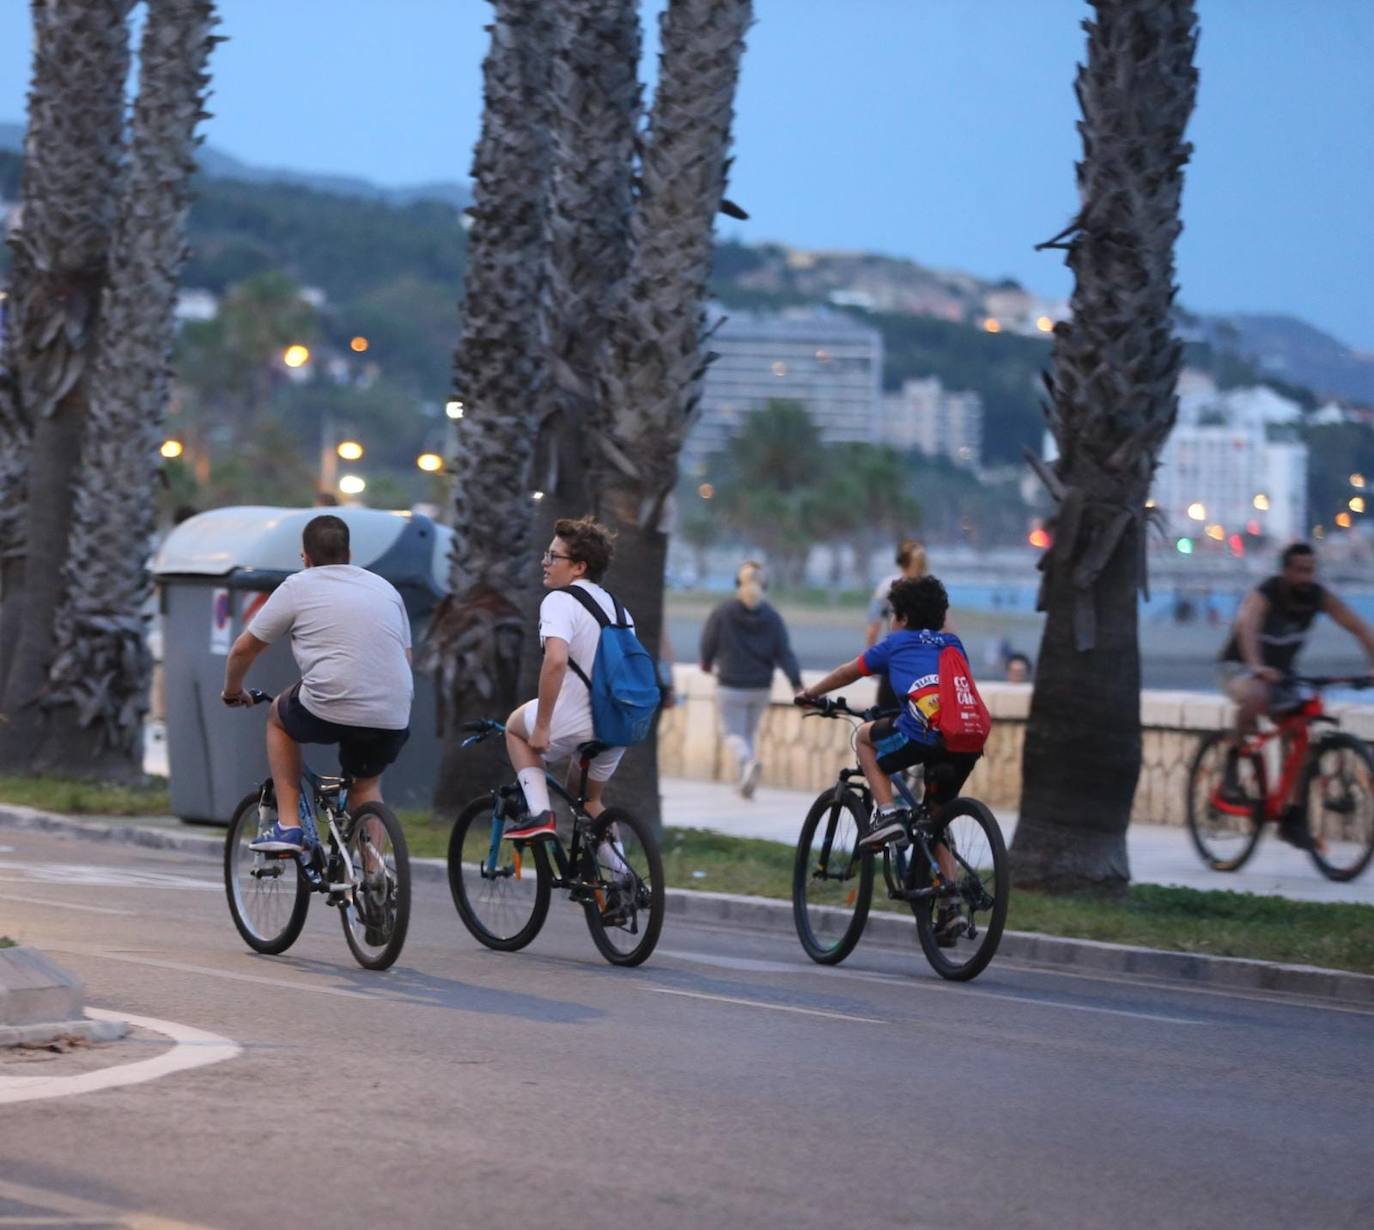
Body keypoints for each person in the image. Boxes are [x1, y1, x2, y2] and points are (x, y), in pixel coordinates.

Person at [796, 575, 979, 942]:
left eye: (894, 613)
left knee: (864, 738)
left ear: (904, 617)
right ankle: (951, 903)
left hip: (921, 732)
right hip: (965, 739)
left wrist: (810, 693)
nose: (892, 619)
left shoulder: (895, 643)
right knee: (934, 818)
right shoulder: (952, 643)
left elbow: (849, 671)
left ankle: (888, 813)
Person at [221, 515, 413, 852]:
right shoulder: (385, 589)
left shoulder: (298, 586)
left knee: (279, 719)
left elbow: (243, 649)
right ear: (349, 554)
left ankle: (289, 824)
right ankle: (377, 883)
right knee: (364, 786)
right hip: (393, 710)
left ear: (305, 557)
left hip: (329, 704)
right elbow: (405, 658)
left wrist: (233, 691)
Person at [1217, 540, 1374, 845]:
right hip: (1239, 666)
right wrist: (1257, 666)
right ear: (1286, 571)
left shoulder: (1317, 597)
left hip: (1281, 677)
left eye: (1311, 570)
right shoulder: (1267, 593)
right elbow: (1246, 626)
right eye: (1300, 570)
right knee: (1258, 694)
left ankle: (1293, 816)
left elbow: (1359, 628)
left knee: (1301, 731)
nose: (1306, 577)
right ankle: (1232, 768)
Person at [502, 516, 632, 841]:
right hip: (617, 723)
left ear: (578, 567)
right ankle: (620, 884)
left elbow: (556, 661)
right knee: (589, 800)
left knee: (515, 730)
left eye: (553, 557)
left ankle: (540, 814)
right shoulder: (618, 609)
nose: (544, 563)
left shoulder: (560, 601)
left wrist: (543, 725)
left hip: (574, 717)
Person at [699, 561, 803, 799]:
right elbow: (784, 652)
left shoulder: (723, 611)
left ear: (738, 583)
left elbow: (708, 641)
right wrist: (796, 682)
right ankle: (746, 782)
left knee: (733, 734)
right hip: (760, 686)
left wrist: (706, 662)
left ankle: (746, 764)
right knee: (748, 733)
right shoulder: (772, 616)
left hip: (730, 684)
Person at [865, 539, 929, 710]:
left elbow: (873, 628)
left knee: (885, 715)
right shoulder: (932, 587)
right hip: (925, 662)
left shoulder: (888, 586)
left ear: (900, 562)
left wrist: (872, 662)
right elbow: (947, 629)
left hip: (896, 660)